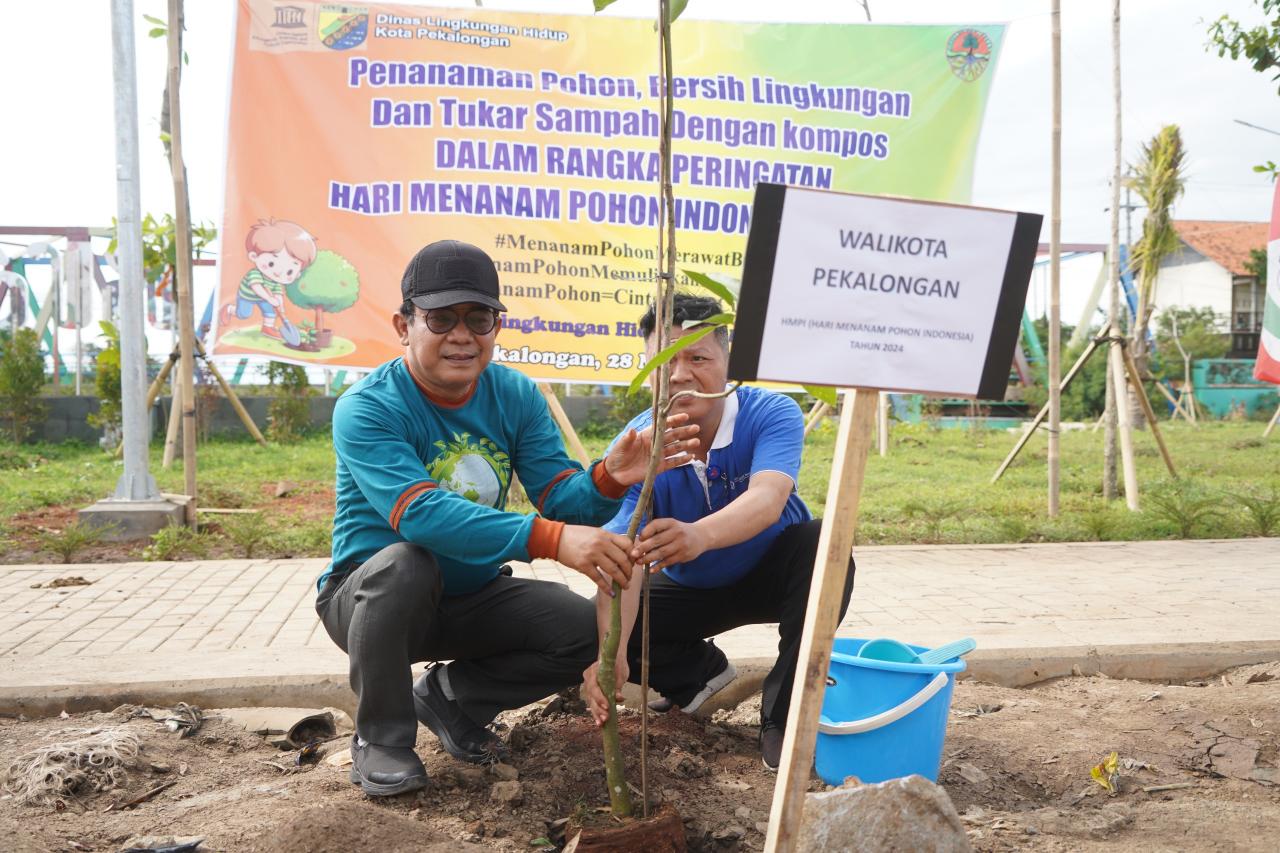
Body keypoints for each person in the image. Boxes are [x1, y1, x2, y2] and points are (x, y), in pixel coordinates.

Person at [316, 239, 700, 796]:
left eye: (480, 318)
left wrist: (609, 478)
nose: (462, 335)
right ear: (404, 325)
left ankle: (451, 699)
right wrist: (550, 540)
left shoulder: (513, 393)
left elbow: (560, 498)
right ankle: (382, 739)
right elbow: (419, 513)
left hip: (470, 595)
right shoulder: (369, 406)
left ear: (498, 325)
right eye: (441, 318)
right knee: (404, 564)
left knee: (578, 632)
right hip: (368, 605)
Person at [582, 293, 855, 771]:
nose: (681, 374)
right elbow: (622, 557)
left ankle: (783, 719)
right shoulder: (637, 446)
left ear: (729, 360)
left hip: (774, 570)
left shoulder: (771, 411)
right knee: (600, 622)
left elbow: (768, 499)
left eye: (698, 357)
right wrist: (613, 658)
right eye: (665, 361)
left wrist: (698, 536)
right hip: (692, 588)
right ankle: (701, 678)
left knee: (824, 547)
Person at [221, 218, 317, 340]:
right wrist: (270, 299)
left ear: (297, 274)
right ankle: (229, 309)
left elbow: (278, 294)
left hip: (266, 297)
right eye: (271, 264)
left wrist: (279, 305)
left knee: (271, 312)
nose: (278, 272)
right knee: (244, 314)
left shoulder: (275, 282)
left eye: (289, 271)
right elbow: (256, 287)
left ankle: (267, 328)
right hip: (248, 295)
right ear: (254, 256)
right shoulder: (255, 274)